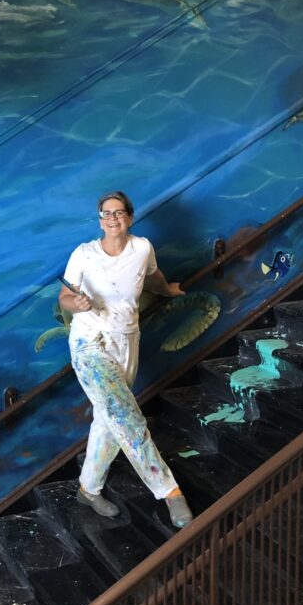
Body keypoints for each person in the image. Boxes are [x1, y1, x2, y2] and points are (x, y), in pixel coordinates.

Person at [60, 190, 194, 529]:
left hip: (127, 340)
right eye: (106, 213)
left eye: (118, 212)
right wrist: (77, 304)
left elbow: (153, 277)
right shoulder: (84, 254)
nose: (112, 219)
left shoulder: (142, 248)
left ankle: (88, 489)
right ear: (99, 220)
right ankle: (169, 491)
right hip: (89, 342)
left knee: (108, 419)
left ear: (130, 217)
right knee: (125, 416)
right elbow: (64, 297)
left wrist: (168, 291)